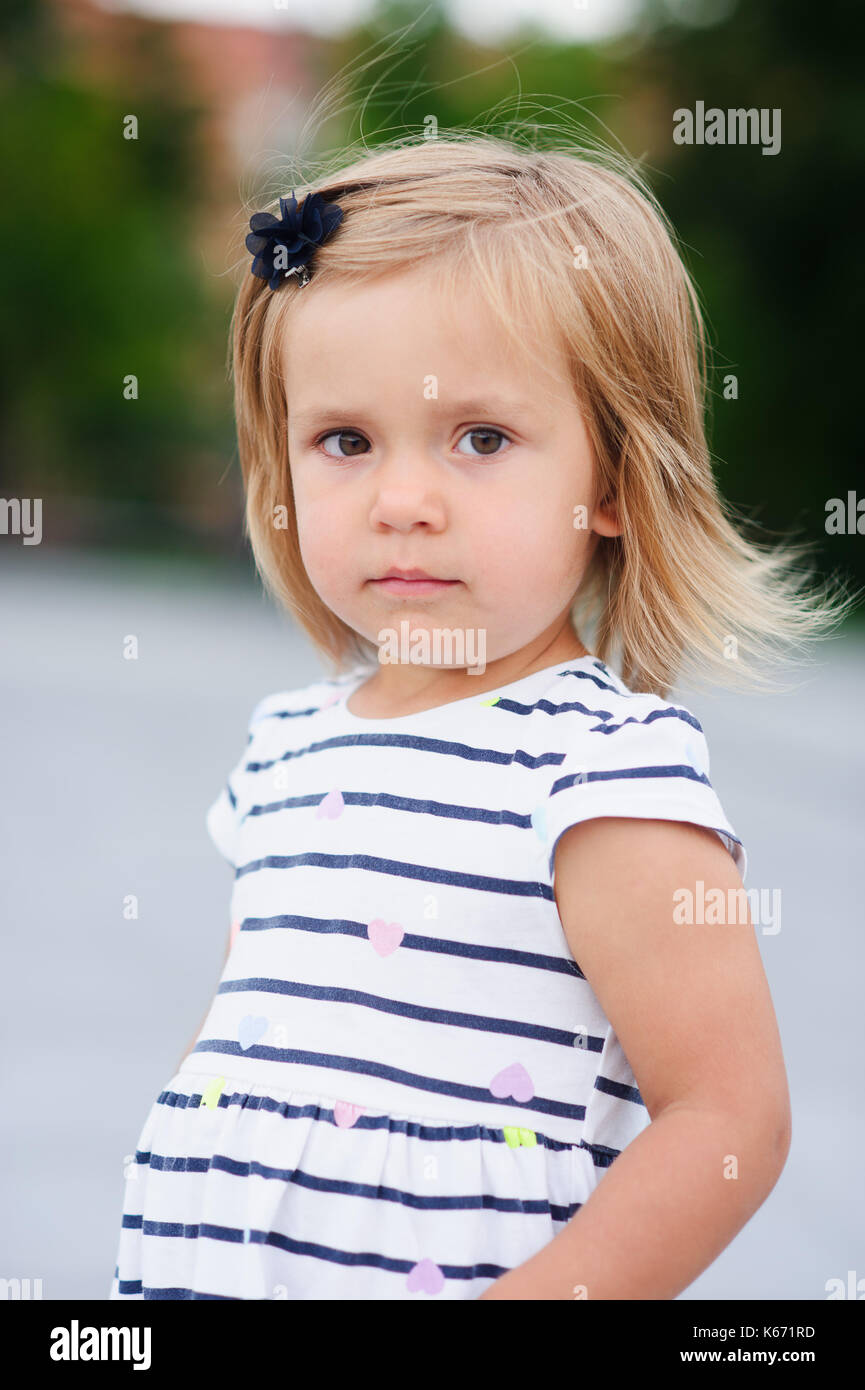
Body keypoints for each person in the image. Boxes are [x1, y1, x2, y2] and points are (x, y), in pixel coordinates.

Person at [109, 134, 847, 1300]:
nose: (403, 501)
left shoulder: (599, 772)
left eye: (481, 439)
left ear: (611, 477)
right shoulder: (286, 743)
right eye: (344, 442)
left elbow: (728, 1122)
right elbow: (254, 1039)